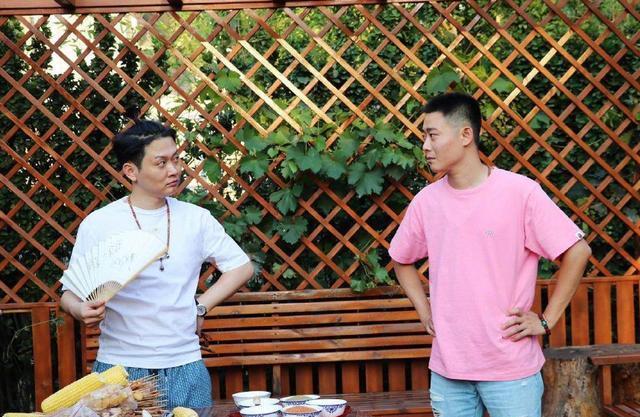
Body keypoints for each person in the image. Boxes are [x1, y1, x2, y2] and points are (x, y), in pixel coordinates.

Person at [388, 92, 591, 417]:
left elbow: (578, 251)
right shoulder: (427, 202)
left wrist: (545, 320)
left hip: (511, 370)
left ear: (466, 135)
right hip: (449, 371)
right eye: (424, 136)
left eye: (433, 135)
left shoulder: (519, 192)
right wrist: (425, 311)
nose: (425, 146)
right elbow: (401, 259)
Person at [60, 119, 254, 408]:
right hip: (119, 369)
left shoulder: (196, 219)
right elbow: (69, 294)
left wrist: (200, 307)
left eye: (176, 159)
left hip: (185, 364)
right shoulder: (100, 224)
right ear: (131, 171)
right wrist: (79, 309)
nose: (174, 170)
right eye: (161, 163)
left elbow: (241, 267)